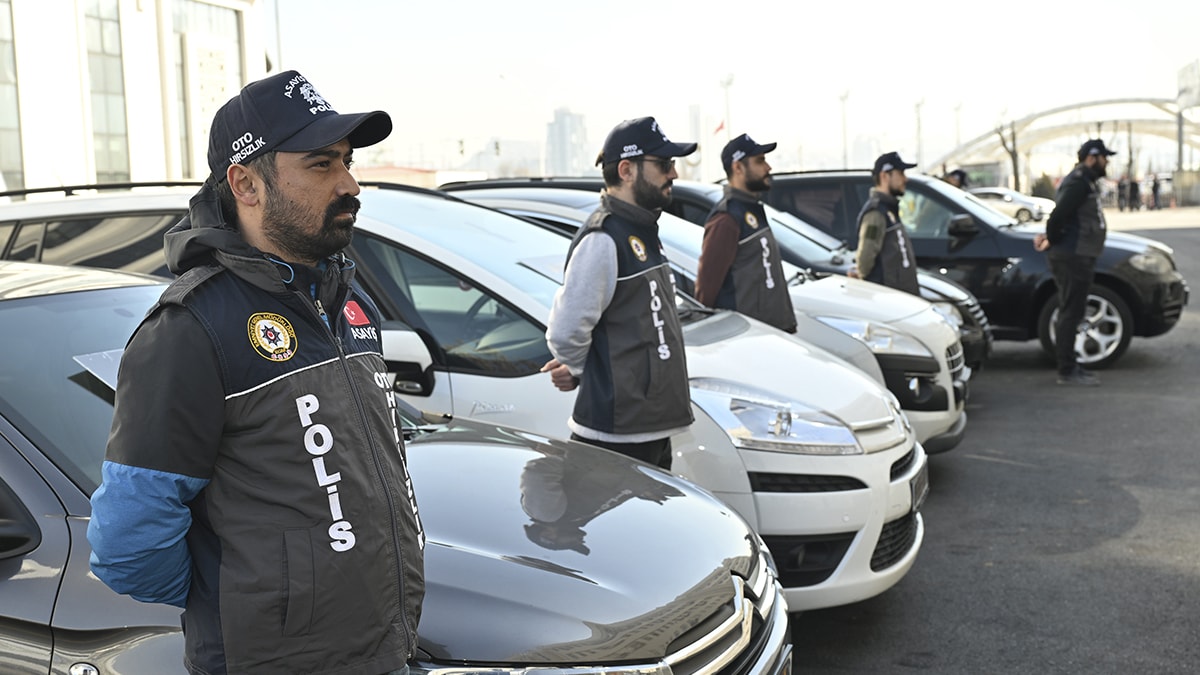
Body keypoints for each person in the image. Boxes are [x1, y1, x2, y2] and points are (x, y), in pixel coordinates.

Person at [86, 70, 425, 675]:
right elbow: (128, 546)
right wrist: (248, 598)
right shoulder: (191, 329)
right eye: (321, 164)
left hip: (379, 652)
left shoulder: (345, 298)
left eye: (347, 161)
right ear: (245, 183)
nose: (350, 184)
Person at [540, 116, 696, 470]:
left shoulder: (640, 229)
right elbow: (566, 333)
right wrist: (582, 368)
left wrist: (581, 368)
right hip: (617, 436)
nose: (673, 173)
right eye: (664, 164)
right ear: (626, 170)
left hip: (646, 429)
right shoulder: (604, 238)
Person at [693, 133, 797, 333]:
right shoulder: (727, 218)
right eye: (760, 161)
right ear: (738, 167)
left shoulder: (751, 210)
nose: (768, 168)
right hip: (750, 338)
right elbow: (707, 289)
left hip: (774, 334)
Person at [1033, 138, 1116, 386]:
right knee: (1071, 311)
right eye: (1104, 157)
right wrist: (1054, 238)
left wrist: (1052, 238)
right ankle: (1067, 370)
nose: (1107, 161)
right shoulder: (1079, 182)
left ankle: (1069, 366)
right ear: (1092, 157)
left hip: (1077, 255)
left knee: (1073, 310)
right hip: (1073, 257)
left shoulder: (1084, 181)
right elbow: (1058, 216)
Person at [849, 151, 921, 295]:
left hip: (902, 299)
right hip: (890, 300)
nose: (905, 179)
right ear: (884, 176)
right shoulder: (876, 214)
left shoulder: (889, 209)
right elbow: (865, 260)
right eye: (900, 173)